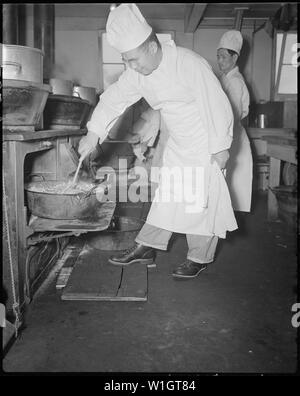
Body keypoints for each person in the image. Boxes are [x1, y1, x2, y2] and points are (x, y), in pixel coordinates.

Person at [79, 4, 238, 280]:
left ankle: (198, 257)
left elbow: (217, 105)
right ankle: (147, 247)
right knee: (168, 197)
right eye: (126, 60)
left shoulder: (189, 64)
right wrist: (93, 133)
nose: (132, 66)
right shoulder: (139, 73)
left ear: (152, 47)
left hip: (205, 143)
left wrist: (221, 147)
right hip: (178, 142)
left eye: (134, 59)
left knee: (201, 202)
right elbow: (114, 99)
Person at [217, 30, 253, 213]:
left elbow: (233, 114)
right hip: (227, 136)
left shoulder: (236, 82)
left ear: (235, 57)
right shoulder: (225, 79)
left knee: (232, 190)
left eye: (223, 57)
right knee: (225, 191)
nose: (219, 61)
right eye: (218, 56)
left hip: (233, 137)